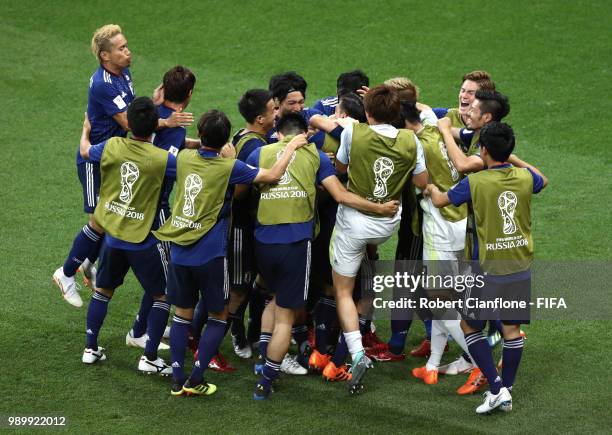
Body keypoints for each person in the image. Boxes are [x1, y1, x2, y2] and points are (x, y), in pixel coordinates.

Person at [153, 110, 307, 396]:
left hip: (178, 251)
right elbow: (274, 174)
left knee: (181, 316)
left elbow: (171, 152)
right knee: (218, 315)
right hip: (210, 255)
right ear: (226, 141)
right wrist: (291, 146)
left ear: (200, 134)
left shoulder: (185, 160)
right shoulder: (230, 167)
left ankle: (177, 376)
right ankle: (196, 378)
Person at [247, 113, 400, 400]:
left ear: (278, 133)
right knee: (285, 318)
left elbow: (244, 189)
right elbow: (340, 195)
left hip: (262, 241)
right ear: (305, 133)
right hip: (295, 243)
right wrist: (379, 209)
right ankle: (266, 380)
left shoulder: (259, 152)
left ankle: (260, 360)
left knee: (274, 297)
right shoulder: (317, 156)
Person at [52, 24, 192, 307]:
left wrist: (150, 105)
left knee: (115, 216)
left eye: (127, 46)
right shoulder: (103, 83)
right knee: (101, 220)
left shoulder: (123, 73)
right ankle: (66, 273)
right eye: (121, 49)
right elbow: (129, 123)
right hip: (96, 158)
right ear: (105, 55)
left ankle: (89, 263)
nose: (128, 52)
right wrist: (166, 121)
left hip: (117, 157)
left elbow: (132, 112)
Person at [425, 121, 547, 414]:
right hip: (520, 265)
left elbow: (442, 200)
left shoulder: (476, 182)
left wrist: (430, 188)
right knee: (511, 330)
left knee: (469, 325)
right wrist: (511, 157)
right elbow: (543, 178)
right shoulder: (524, 177)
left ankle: (495, 387)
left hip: (487, 270)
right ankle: (508, 387)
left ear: (483, 150)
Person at [330, 85, 428, 393]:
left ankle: (357, 352)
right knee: (368, 265)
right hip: (386, 224)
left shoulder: (353, 134)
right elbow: (421, 181)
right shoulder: (411, 140)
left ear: (367, 112)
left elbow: (340, 168)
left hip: (354, 223)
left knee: (344, 291)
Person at [78, 96, 177, 376]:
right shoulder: (161, 159)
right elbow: (192, 170)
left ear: (129, 124)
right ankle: (149, 357)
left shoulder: (111, 146)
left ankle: (90, 347)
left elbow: (86, 152)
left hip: (112, 236)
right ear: (154, 127)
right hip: (143, 239)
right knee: (162, 296)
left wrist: (85, 130)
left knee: (103, 291)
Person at [125, 65, 198, 350]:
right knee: (164, 276)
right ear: (189, 94)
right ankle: (140, 331)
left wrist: (197, 146)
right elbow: (165, 166)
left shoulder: (152, 114)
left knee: (160, 275)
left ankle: (144, 324)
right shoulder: (174, 123)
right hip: (153, 206)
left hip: (134, 200)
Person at [227, 89, 277, 360]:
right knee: (238, 287)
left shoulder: (245, 136)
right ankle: (231, 332)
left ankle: (253, 331)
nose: (277, 113)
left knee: (257, 281)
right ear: (260, 118)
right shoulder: (254, 147)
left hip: (254, 228)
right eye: (273, 109)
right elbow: (238, 192)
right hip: (241, 227)